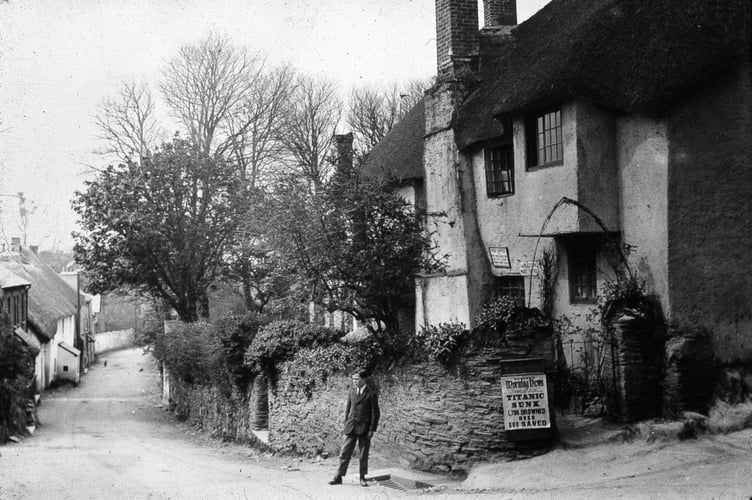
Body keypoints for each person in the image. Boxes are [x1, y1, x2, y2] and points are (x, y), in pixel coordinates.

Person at [328, 369, 380, 487]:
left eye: (357, 379)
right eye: (353, 379)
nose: (354, 381)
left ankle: (362, 477)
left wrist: (372, 429)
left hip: (365, 428)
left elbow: (375, 413)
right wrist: (346, 423)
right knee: (344, 452)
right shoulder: (351, 391)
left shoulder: (371, 394)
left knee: (363, 454)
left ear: (363, 379)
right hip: (351, 427)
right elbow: (348, 409)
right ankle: (339, 476)